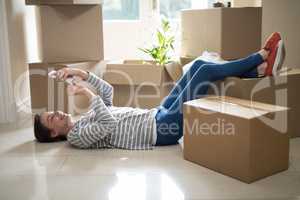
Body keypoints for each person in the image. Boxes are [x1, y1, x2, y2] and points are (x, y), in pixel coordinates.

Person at [34, 32, 285, 149]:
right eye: (52, 118)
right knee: (205, 74)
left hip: (157, 114)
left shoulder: (83, 121)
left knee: (197, 65)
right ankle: (260, 57)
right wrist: (87, 95)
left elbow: (108, 93)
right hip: (161, 131)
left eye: (53, 111)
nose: (58, 113)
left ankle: (257, 72)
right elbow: (109, 124)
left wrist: (82, 75)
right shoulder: (77, 138)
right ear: (54, 133)